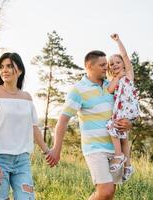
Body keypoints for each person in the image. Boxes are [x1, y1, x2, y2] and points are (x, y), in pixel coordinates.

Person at [46, 50, 133, 200]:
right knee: (105, 190)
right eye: (102, 65)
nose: (106, 67)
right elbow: (63, 120)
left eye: (106, 64)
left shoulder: (112, 85)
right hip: (94, 148)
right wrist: (56, 148)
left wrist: (128, 124)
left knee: (110, 192)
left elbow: (125, 108)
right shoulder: (78, 90)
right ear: (89, 66)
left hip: (115, 148)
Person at [0, 52, 48, 200]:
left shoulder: (26, 98)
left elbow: (34, 128)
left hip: (22, 160)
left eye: (9, 66)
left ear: (19, 70)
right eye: (1, 67)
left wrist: (47, 151)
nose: (4, 70)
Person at [106, 33, 140, 182]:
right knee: (123, 138)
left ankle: (118, 155)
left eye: (117, 62)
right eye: (111, 64)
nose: (114, 65)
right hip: (121, 112)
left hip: (128, 110)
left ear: (123, 63)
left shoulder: (128, 75)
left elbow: (125, 55)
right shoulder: (115, 79)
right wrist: (116, 78)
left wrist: (118, 41)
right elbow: (109, 90)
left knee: (110, 126)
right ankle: (127, 166)